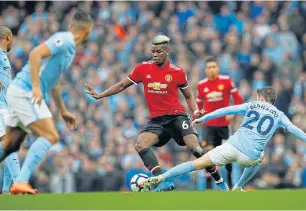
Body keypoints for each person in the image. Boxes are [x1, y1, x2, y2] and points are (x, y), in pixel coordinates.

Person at [85, 35, 229, 192]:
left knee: (196, 149)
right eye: (153, 51)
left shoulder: (178, 73)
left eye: (158, 51)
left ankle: (220, 181)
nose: (154, 55)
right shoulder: (142, 69)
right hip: (157, 120)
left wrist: (195, 111)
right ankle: (162, 182)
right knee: (140, 144)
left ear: (167, 51)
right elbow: (121, 85)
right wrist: (100, 95)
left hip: (177, 117)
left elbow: (188, 95)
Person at [142, 87, 306, 191]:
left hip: (231, 146)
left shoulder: (252, 104)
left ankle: (162, 176)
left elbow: (227, 110)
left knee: (197, 164)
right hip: (250, 156)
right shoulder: (280, 114)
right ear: (272, 101)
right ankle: (238, 187)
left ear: (261, 98)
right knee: (259, 158)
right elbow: (294, 129)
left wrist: (204, 118)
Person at [0, 10, 93, 194]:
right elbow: (35, 54)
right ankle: (20, 183)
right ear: (86, 32)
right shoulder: (64, 40)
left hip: (19, 96)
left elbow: (55, 82)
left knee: (11, 145)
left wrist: (63, 110)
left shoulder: (69, 52)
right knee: (49, 135)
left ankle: (7, 192)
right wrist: (35, 87)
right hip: (22, 92)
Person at [196, 57, 243, 188]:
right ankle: (209, 184)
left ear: (218, 68)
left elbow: (238, 98)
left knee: (227, 155)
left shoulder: (226, 81)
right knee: (208, 154)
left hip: (224, 126)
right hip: (209, 126)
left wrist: (232, 113)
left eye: (214, 67)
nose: (212, 69)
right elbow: (198, 105)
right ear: (205, 70)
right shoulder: (201, 84)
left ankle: (230, 181)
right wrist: (199, 115)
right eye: (209, 67)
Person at [0, 26, 21, 194]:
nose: (12, 41)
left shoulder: (4, 57)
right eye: (11, 37)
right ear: (6, 37)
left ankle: (6, 190)